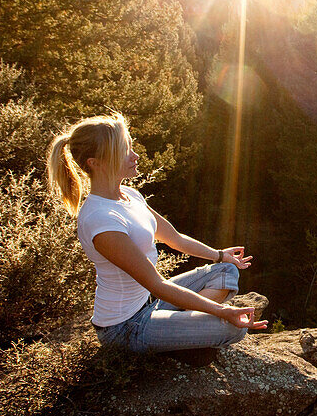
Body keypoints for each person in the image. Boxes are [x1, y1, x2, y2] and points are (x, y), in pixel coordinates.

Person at [45, 113, 267, 353]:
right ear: (95, 162)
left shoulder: (130, 195)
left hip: (152, 302)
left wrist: (220, 254)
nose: (135, 156)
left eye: (131, 146)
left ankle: (183, 327)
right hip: (126, 326)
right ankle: (184, 329)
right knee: (233, 329)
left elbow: (176, 239)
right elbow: (156, 284)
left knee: (226, 269)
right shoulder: (101, 220)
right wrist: (223, 311)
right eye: (124, 151)